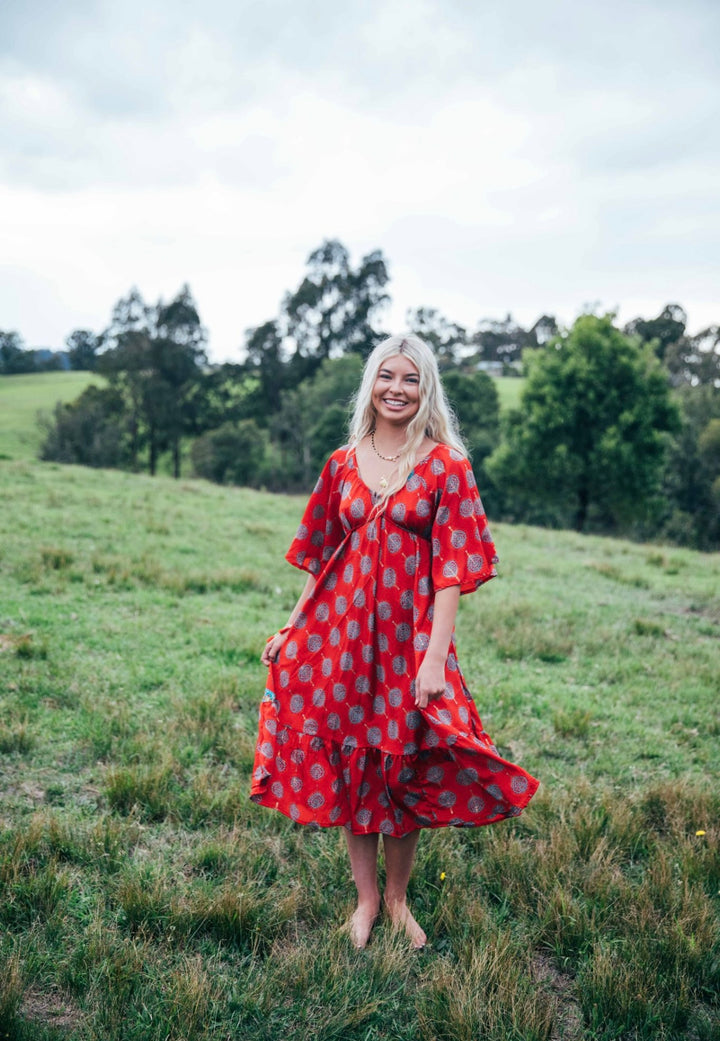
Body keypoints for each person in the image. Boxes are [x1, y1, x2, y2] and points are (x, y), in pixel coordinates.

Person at [250, 334, 539, 949]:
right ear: (371, 386)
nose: (397, 389)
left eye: (411, 379)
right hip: (344, 638)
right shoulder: (341, 462)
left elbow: (453, 569)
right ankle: (366, 901)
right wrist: (293, 625)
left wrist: (435, 657)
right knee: (356, 761)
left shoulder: (446, 466)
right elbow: (322, 556)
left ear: (425, 388)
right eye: (387, 377)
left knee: (401, 763)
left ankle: (401, 900)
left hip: (411, 643)